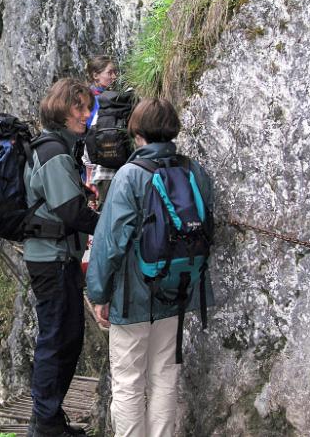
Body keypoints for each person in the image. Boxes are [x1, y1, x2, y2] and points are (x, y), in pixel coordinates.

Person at [85, 98, 214, 437]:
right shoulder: (194, 170)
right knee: (164, 375)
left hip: (133, 296)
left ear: (137, 132)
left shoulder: (130, 175)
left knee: (128, 382)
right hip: (177, 288)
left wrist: (99, 293)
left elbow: (110, 241)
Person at [24, 78, 100, 437]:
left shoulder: (58, 149)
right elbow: (71, 213)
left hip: (57, 257)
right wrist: (112, 224)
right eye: (79, 108)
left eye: (88, 107)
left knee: (67, 337)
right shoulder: (54, 153)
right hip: (51, 260)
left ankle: (49, 419)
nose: (87, 114)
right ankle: (44, 423)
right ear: (61, 109)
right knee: (56, 338)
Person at [82, 56, 119, 208]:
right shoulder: (93, 100)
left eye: (115, 72)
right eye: (110, 72)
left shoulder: (94, 97)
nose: (114, 76)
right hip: (96, 161)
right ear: (95, 75)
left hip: (94, 160)